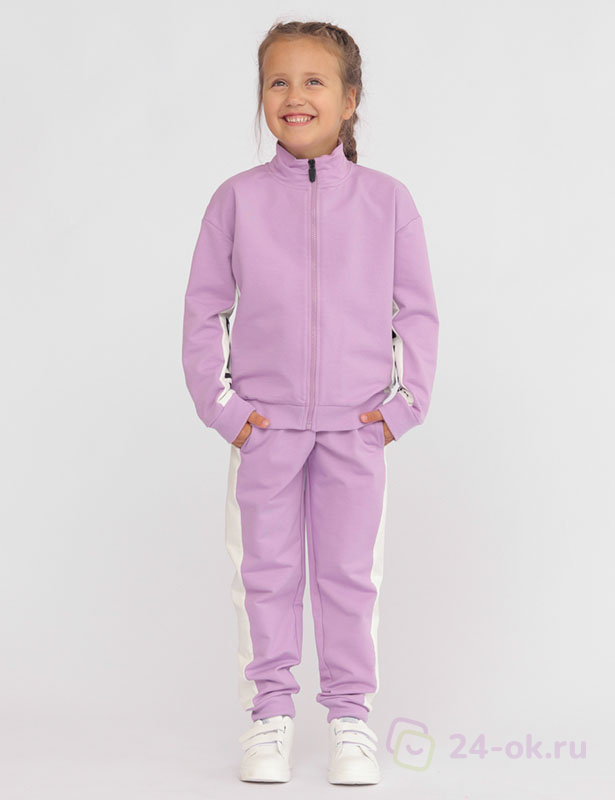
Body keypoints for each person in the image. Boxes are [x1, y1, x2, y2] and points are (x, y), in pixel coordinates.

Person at [182, 20, 439, 785]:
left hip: (353, 430)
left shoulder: (387, 202)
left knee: (349, 577)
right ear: (263, 96)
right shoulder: (235, 201)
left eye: (313, 80)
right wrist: (226, 411)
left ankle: (350, 719)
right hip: (265, 430)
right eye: (277, 81)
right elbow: (203, 310)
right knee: (262, 575)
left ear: (350, 98)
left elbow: (417, 312)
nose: (293, 96)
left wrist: (402, 407)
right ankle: (269, 716)